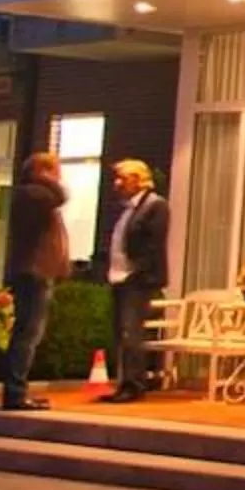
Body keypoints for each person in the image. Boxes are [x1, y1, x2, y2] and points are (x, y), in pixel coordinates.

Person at [0, 151, 69, 411]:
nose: (60, 176)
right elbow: (61, 196)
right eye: (56, 170)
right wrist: (45, 178)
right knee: (28, 332)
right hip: (33, 272)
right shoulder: (33, 194)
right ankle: (16, 393)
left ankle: (17, 390)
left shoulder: (32, 195)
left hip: (36, 271)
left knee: (28, 332)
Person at [100, 159, 171, 403]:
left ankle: (134, 385)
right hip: (121, 278)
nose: (117, 184)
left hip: (137, 280)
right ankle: (124, 382)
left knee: (131, 332)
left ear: (138, 180)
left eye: (123, 179)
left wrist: (136, 272)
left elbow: (153, 245)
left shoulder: (155, 206)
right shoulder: (129, 209)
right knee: (121, 333)